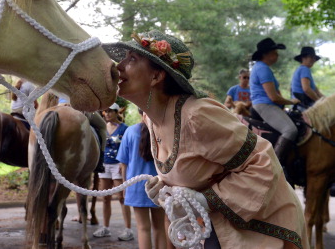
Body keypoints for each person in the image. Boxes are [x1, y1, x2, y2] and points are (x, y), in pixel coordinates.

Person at [103, 30, 308, 248]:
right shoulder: (151, 118)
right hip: (218, 231)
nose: (119, 66)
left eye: (131, 59)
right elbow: (195, 171)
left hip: (261, 230)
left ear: (156, 76)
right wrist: (165, 190)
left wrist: (206, 199)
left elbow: (264, 162)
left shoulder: (196, 116)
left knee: (290, 130)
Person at [249, 38, 300, 166]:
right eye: (275, 52)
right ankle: (274, 166)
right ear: (266, 54)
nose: (277, 55)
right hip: (265, 105)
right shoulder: (263, 68)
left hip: (263, 105)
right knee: (290, 130)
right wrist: (292, 101)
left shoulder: (261, 67)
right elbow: (274, 97)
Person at [117, 121, 166, 249]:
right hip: (158, 186)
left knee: (143, 228)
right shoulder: (163, 130)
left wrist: (124, 186)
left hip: (135, 187)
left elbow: (123, 164)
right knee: (160, 228)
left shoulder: (130, 131)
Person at [92, 103, 134, 241]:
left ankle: (128, 230)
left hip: (118, 165)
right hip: (105, 164)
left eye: (110, 111)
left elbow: (128, 148)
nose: (107, 114)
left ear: (117, 113)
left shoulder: (125, 129)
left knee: (122, 197)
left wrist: (125, 164)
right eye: (105, 112)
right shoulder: (102, 127)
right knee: (105, 198)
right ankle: (105, 228)